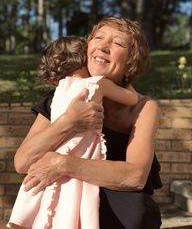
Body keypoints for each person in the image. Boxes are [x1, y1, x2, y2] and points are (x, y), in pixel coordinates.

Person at [12, 17, 162, 229]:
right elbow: (22, 162)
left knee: (134, 209)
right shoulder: (60, 99)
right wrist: (69, 121)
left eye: (118, 43)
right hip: (66, 195)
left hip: (115, 200)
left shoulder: (143, 108)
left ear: (131, 60)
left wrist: (61, 163)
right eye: (98, 38)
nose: (103, 46)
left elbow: (135, 177)